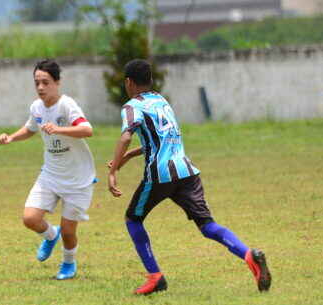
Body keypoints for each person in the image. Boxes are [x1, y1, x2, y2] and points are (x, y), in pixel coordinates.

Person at [107, 59, 271, 295]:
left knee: (133, 219)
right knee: (207, 225)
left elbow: (125, 136)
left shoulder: (132, 106)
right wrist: (130, 156)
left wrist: (113, 172)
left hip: (160, 176)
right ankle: (248, 255)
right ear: (151, 80)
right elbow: (160, 138)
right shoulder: (162, 101)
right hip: (186, 171)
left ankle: (155, 277)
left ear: (128, 82)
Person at [0, 59, 96, 280]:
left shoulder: (66, 105)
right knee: (30, 218)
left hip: (77, 178)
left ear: (57, 82)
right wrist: (11, 138)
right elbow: (31, 128)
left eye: (46, 82)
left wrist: (59, 129)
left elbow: (87, 129)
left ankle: (68, 264)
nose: (41, 87)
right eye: (37, 83)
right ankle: (51, 236)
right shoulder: (36, 107)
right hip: (51, 174)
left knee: (70, 232)